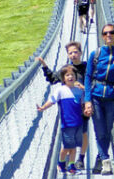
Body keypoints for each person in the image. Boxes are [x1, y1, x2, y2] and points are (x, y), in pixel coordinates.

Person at [84, 25, 114, 175]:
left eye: (112, 32)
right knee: (100, 130)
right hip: (96, 96)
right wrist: (87, 100)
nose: (109, 35)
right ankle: (106, 161)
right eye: (105, 33)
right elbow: (88, 77)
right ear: (102, 36)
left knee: (107, 130)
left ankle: (99, 159)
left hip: (112, 96)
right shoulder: (96, 53)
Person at [37, 41, 90, 170]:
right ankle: (67, 163)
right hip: (70, 112)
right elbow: (52, 79)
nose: (73, 55)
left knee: (83, 133)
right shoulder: (67, 70)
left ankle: (80, 159)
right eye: (70, 53)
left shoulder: (88, 67)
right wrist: (44, 65)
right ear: (67, 55)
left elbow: (93, 83)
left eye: (75, 52)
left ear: (80, 52)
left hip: (84, 106)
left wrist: (82, 88)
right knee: (71, 139)